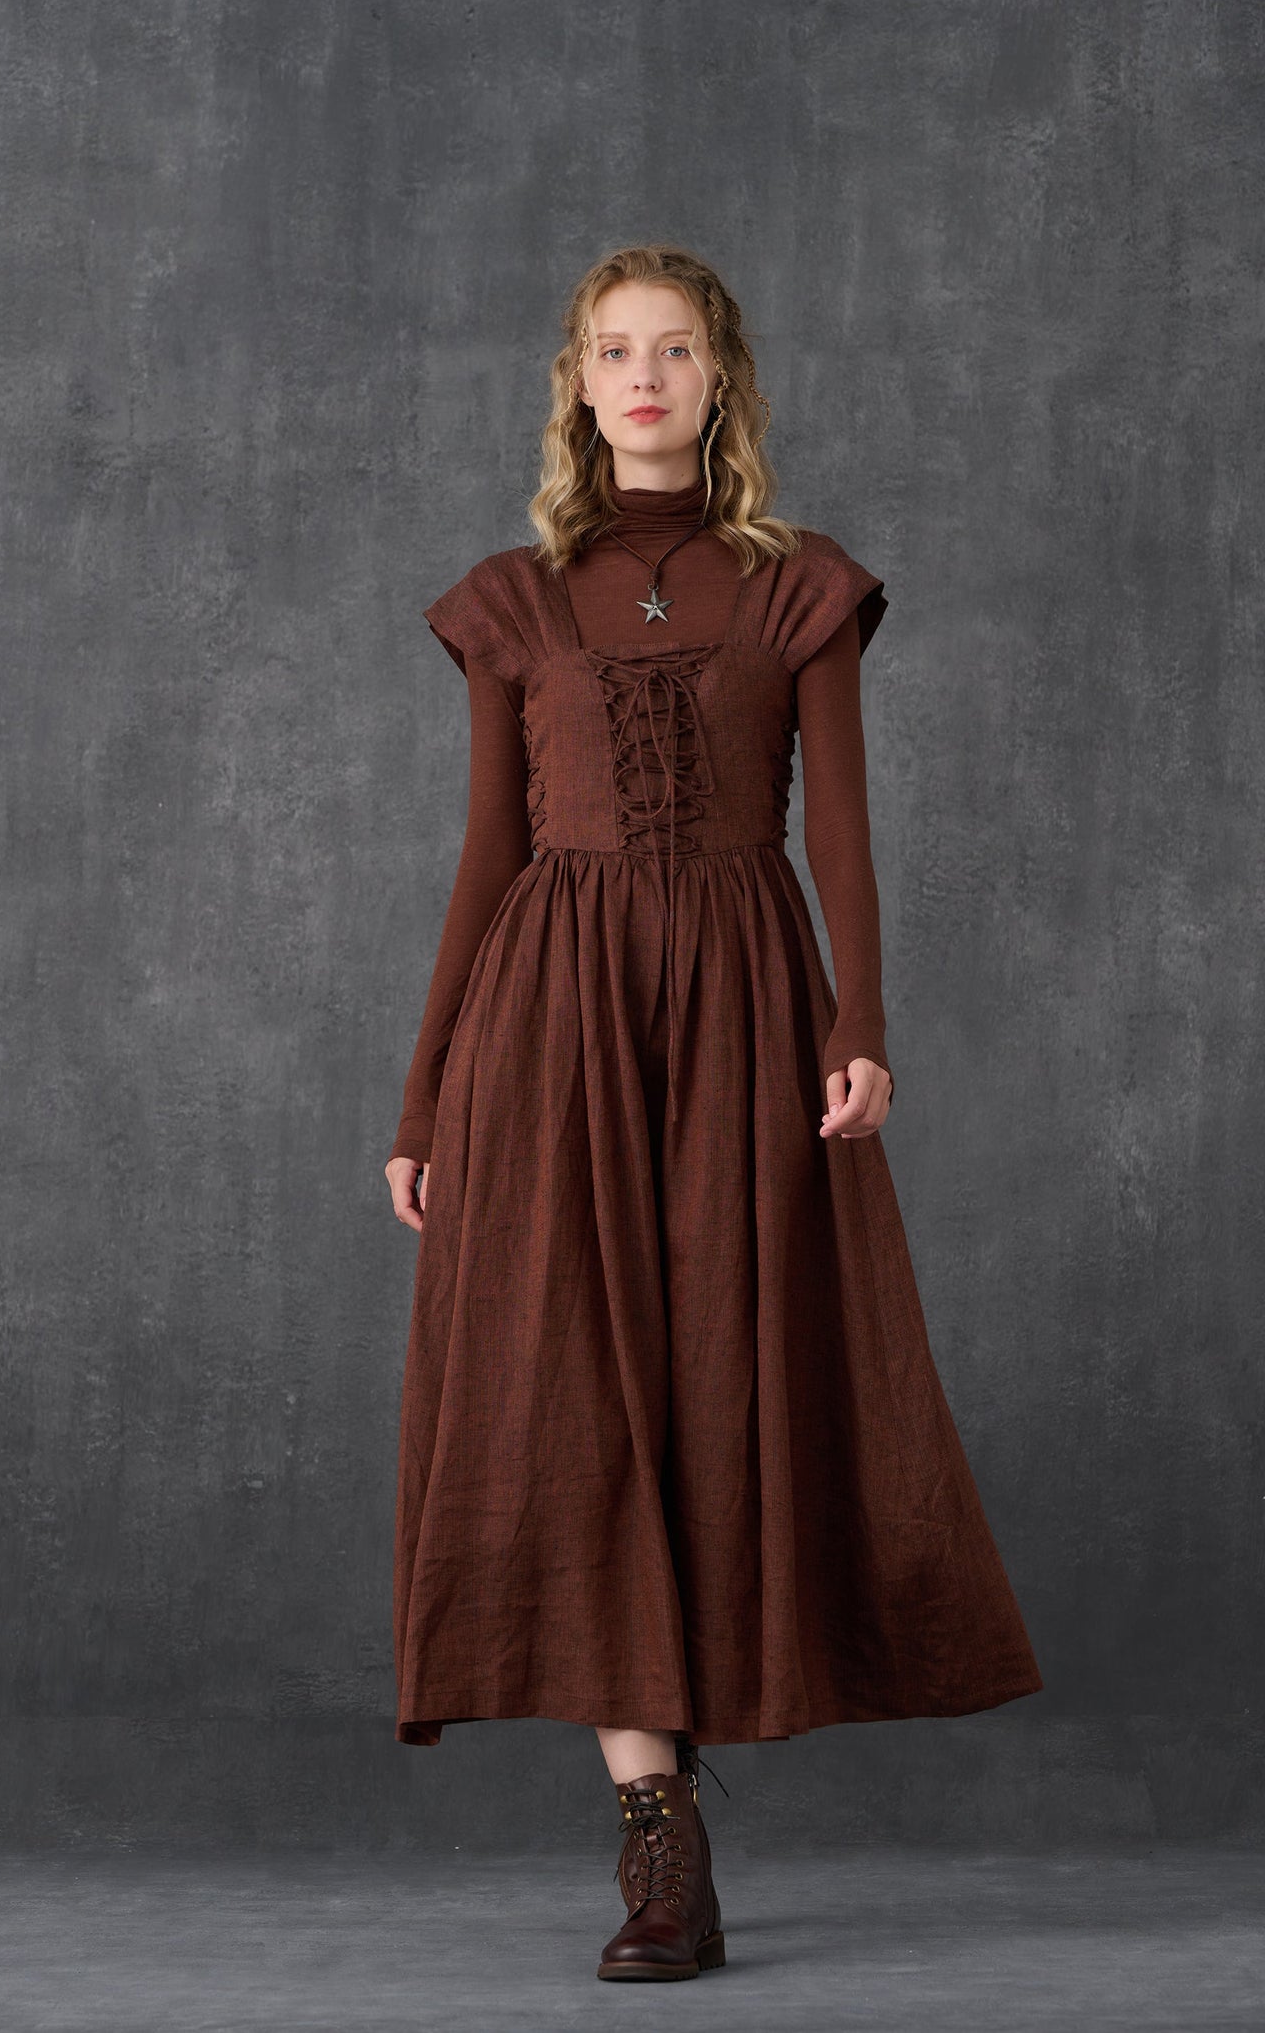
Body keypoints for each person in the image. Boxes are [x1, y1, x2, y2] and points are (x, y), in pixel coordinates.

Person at [384, 243, 1042, 1983]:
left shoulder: (797, 586)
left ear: (720, 378)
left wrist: (859, 1018)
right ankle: (658, 1841)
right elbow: (488, 857)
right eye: (614, 351)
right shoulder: (516, 600)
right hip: (553, 1025)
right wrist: (426, 1093)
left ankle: (696, 1778)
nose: (644, 376)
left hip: (749, 1009)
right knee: (579, 1403)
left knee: (725, 1384)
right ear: (578, 385)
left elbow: (841, 829)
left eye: (674, 349)